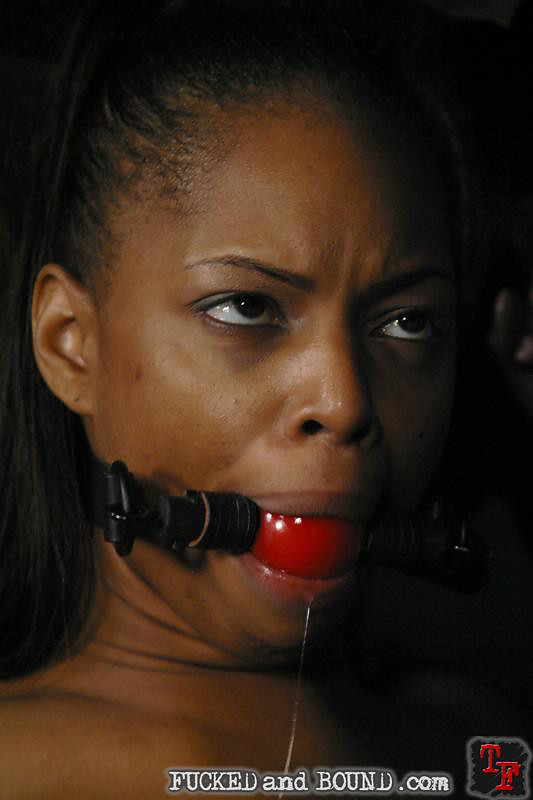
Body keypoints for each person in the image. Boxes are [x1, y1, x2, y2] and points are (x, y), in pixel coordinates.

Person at [0, 1, 520, 796]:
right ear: (73, 343)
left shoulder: (482, 745)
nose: (344, 402)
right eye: (245, 308)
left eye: (408, 323)